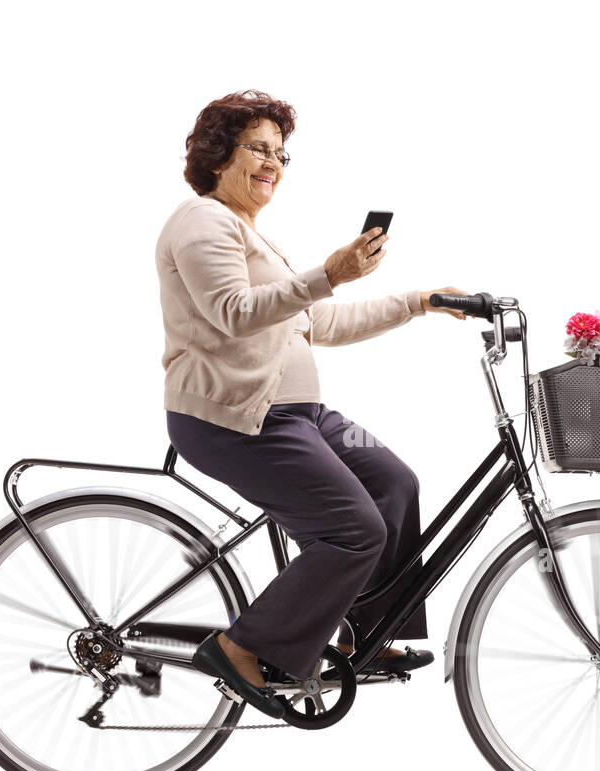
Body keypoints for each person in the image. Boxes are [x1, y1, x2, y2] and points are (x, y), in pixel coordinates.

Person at [157, 89, 469, 718]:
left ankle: (363, 636)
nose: (273, 163)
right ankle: (243, 648)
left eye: (281, 153)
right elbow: (234, 313)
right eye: (259, 149)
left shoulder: (255, 237)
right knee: (353, 530)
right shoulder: (201, 221)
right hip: (240, 418)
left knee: (394, 484)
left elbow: (318, 322)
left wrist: (419, 302)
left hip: (298, 415)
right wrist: (329, 272)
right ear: (219, 155)